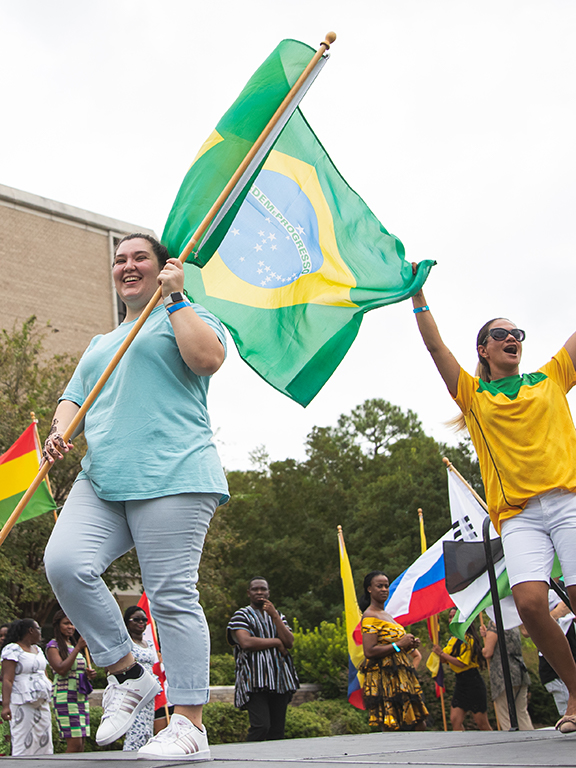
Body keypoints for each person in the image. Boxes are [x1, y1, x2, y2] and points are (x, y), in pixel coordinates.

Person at [43, 233, 229, 759]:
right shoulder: (102, 342)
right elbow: (73, 399)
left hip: (173, 472)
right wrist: (59, 433)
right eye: (120, 259)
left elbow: (208, 359)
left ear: (163, 265)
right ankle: (128, 673)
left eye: (139, 257)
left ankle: (189, 724)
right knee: (64, 563)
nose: (128, 266)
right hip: (103, 479)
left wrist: (176, 298)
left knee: (171, 593)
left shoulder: (187, 313)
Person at [412, 272, 576, 733]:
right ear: (483, 349)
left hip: (567, 502)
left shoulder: (551, 376)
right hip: (519, 515)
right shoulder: (473, 396)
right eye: (500, 334)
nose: (511, 339)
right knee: (528, 604)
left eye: (516, 334)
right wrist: (418, 297)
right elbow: (436, 350)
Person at [227, 577, 299, 741]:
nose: (259, 592)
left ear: (268, 592)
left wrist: (274, 616)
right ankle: (249, 759)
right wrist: (276, 642)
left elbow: (289, 642)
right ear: (248, 593)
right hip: (253, 680)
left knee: (277, 730)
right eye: (255, 589)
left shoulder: (278, 615)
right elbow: (245, 642)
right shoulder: (241, 615)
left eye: (263, 589)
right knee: (261, 726)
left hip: (279, 680)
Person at [359, 571, 428, 731]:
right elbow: (369, 651)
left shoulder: (386, 615)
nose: (384, 589)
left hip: (402, 678)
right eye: (379, 586)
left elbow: (394, 644)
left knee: (418, 722)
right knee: (393, 724)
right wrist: (398, 644)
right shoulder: (369, 616)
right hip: (386, 679)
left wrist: (408, 645)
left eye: (386, 586)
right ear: (369, 589)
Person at [0, 618, 53, 755]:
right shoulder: (12, 649)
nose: (40, 633)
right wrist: (6, 705)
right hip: (22, 702)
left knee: (44, 741)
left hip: (41, 701)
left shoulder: (38, 650)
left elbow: (44, 673)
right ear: (31, 630)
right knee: (23, 740)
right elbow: (7, 679)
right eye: (38, 629)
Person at [46, 610, 96, 752]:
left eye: (72, 624)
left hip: (79, 697)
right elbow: (61, 669)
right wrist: (78, 648)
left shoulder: (73, 646)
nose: (70, 627)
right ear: (58, 625)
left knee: (81, 745)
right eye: (66, 623)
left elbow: (76, 670)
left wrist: (88, 675)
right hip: (65, 697)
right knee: (74, 744)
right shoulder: (53, 646)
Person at [433, 609, 491, 731]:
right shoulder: (453, 640)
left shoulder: (469, 639)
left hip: (473, 682)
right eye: (450, 617)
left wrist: (442, 654)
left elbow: (461, 663)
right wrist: (439, 654)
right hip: (460, 682)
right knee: (455, 720)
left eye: (455, 617)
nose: (451, 620)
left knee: (481, 722)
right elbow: (445, 659)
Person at [480, 620, 533, 730]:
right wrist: (487, 635)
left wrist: (484, 646)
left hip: (502, 674)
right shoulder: (513, 622)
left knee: (505, 714)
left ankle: (513, 744)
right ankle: (531, 739)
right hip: (520, 671)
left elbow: (488, 652)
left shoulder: (495, 622)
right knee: (521, 713)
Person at [122, 606, 158, 751]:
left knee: (147, 729)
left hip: (149, 693)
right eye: (136, 619)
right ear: (127, 622)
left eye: (144, 619)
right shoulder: (126, 643)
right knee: (135, 730)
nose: (141, 622)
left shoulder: (148, 644)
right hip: (134, 692)